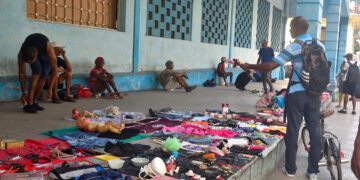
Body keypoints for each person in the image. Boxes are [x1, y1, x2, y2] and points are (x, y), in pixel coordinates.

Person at [239, 16, 323, 180]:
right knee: (315, 131)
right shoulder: (319, 45)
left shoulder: (293, 47)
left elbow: (271, 65)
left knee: (293, 130)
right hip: (315, 94)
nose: (290, 30)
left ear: (296, 28)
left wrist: (250, 65)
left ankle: (290, 169)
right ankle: (313, 171)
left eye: (291, 27)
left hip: (297, 94)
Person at [18, 33, 58, 113]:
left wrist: (50, 89)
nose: (30, 64)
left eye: (31, 62)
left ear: (36, 55)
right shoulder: (21, 54)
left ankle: (34, 101)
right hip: (31, 50)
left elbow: (55, 70)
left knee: (44, 75)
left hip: (45, 54)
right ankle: (30, 102)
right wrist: (23, 92)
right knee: (37, 72)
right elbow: (22, 73)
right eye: (28, 63)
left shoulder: (48, 48)